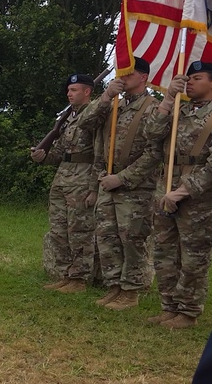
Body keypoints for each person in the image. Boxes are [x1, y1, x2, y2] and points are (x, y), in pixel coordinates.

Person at [77, 58, 160, 309]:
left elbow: (154, 153)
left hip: (135, 187)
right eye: (121, 72)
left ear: (144, 77)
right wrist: (104, 98)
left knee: (132, 239)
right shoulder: (114, 106)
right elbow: (84, 124)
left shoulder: (153, 108)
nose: (123, 76)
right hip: (107, 181)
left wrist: (121, 179)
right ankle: (114, 286)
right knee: (107, 237)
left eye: (129, 72)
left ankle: (131, 291)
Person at [139, 61, 212, 329]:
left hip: (199, 196)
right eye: (188, 77)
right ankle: (169, 307)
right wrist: (168, 98)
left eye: (197, 78)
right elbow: (151, 134)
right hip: (167, 185)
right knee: (164, 251)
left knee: (193, 255)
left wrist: (182, 192)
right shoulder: (179, 110)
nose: (189, 82)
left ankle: (189, 311)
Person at [31, 73, 105, 293]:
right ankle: (66, 274)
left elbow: (100, 154)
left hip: (83, 178)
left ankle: (80, 279)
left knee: (79, 230)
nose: (69, 94)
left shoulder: (94, 117)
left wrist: (94, 188)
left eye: (74, 90)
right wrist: (43, 156)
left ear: (87, 92)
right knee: (58, 229)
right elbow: (61, 153)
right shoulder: (67, 118)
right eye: (68, 90)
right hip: (62, 178)